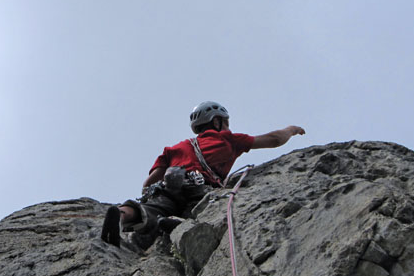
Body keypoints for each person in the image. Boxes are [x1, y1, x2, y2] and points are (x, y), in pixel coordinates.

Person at [100, 101, 305, 249]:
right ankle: (177, 225)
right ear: (216, 121)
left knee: (150, 210)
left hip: (168, 188)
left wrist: (151, 195)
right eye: (225, 122)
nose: (227, 126)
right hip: (200, 190)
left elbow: (148, 183)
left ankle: (121, 215)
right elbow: (274, 139)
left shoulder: (176, 148)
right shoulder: (228, 139)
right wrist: (291, 129)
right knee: (199, 214)